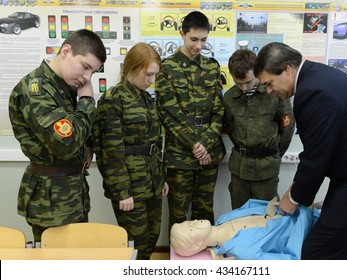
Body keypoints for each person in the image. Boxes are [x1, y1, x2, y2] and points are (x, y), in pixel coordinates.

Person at [254, 42, 347, 260]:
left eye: (270, 83)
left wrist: (295, 198)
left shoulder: (312, 92)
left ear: (287, 69)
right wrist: (295, 188)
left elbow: (317, 156)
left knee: (317, 253)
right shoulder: (318, 76)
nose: (270, 91)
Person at [8, 29, 107, 244]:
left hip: (73, 192)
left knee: (76, 260)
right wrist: (87, 102)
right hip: (49, 200)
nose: (87, 78)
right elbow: (66, 145)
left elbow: (81, 131)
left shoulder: (67, 87)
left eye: (93, 72)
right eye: (85, 67)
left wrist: (88, 145)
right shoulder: (37, 90)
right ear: (66, 51)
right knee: (53, 266)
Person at [92, 42, 169, 260]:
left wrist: (161, 178)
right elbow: (109, 151)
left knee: (152, 238)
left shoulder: (146, 99)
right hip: (131, 187)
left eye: (155, 76)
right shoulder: (113, 99)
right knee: (136, 243)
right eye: (149, 75)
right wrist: (122, 191)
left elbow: (156, 143)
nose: (152, 81)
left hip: (152, 182)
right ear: (133, 68)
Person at [155, 11, 226, 230]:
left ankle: (205, 262)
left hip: (209, 154)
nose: (198, 46)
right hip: (180, 156)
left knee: (205, 212)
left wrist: (205, 144)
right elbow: (169, 113)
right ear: (182, 34)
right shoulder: (166, 68)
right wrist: (195, 145)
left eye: (204, 40)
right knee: (178, 214)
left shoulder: (213, 67)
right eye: (193, 39)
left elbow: (219, 111)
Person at [224, 49, 295, 209]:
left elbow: (287, 128)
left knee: (266, 217)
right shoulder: (229, 97)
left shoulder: (274, 93)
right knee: (238, 217)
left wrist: (274, 155)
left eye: (248, 82)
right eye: (238, 83)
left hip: (266, 171)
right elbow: (230, 129)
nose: (243, 88)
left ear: (257, 72)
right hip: (239, 171)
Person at [170, 198, 317, 260]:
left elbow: (253, 206)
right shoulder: (243, 251)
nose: (193, 221)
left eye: (188, 222)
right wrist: (306, 213)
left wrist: (283, 204)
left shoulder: (224, 218)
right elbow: (291, 259)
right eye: (190, 228)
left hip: (301, 210)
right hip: (310, 228)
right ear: (197, 244)